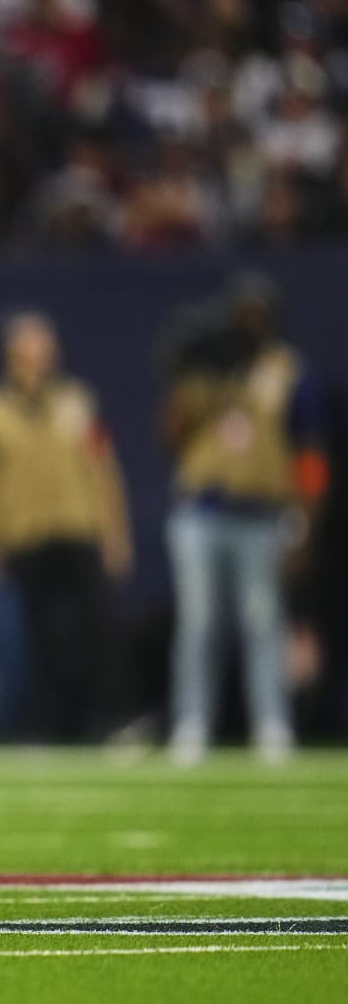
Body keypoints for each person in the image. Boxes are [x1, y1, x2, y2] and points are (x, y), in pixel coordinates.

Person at [161, 275, 329, 765]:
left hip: (262, 513)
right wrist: (186, 379)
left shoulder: (289, 373)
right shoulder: (205, 370)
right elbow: (170, 436)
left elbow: (310, 455)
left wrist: (306, 520)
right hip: (202, 510)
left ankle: (271, 723)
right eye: (244, 314)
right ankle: (191, 724)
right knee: (198, 623)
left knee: (263, 624)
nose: (252, 323)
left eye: (260, 314)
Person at [0, 312, 132, 740]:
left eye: (42, 351)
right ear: (10, 357)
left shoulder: (76, 401)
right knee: (32, 641)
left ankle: (102, 722)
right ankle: (43, 727)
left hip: (77, 530)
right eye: (27, 352)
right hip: (24, 535)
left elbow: (103, 469)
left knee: (94, 630)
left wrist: (115, 532)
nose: (37, 361)